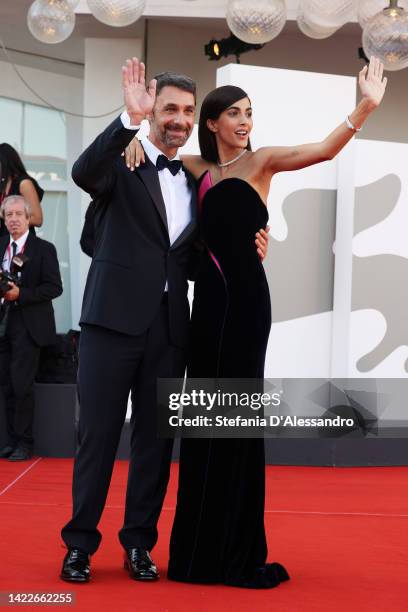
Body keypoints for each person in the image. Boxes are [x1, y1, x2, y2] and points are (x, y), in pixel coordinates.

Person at [127, 55, 387, 588]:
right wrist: (134, 131)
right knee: (204, 420)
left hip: (247, 306)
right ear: (214, 123)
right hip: (208, 308)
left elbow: (321, 150)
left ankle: (236, 552)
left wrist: (363, 108)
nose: (245, 121)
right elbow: (153, 159)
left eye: (249, 112)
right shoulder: (196, 169)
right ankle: (198, 556)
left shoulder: (263, 161)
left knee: (236, 422)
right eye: (235, 113)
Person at [59, 57, 270, 584]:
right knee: (98, 439)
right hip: (110, 324)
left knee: (156, 445)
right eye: (168, 108)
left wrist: (248, 249)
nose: (177, 118)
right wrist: (126, 123)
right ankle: (80, 546)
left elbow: (199, 257)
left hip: (172, 330)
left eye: (186, 110)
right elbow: (84, 174)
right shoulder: (123, 161)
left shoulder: (197, 181)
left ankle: (138, 545)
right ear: (151, 110)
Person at [0, 195, 62, 461]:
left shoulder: (43, 249)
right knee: (4, 384)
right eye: (8, 215)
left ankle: (24, 441)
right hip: (2, 322)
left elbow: (54, 287)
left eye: (17, 214)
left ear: (28, 218)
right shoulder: (1, 245)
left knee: (21, 384)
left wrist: (21, 294)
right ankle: (7, 441)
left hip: (28, 324)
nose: (13, 219)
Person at [0, 144, 44, 237]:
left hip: (22, 244)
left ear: (5, 163)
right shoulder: (3, 185)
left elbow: (37, 219)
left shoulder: (24, 184)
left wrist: (6, 216)